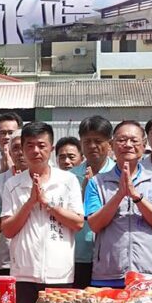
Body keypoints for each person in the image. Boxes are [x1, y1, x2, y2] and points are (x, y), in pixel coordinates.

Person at [0, 122, 85, 303]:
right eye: (29, 145)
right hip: (24, 273)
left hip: (60, 272)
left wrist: (49, 204)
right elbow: (7, 230)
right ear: (22, 149)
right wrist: (30, 202)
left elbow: (78, 223)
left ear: (51, 149)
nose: (36, 151)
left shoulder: (68, 181)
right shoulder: (12, 185)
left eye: (41, 145)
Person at [86, 120, 152, 287]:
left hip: (147, 273)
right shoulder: (97, 182)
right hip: (108, 273)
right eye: (122, 140)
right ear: (112, 144)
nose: (128, 145)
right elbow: (94, 224)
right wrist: (119, 195)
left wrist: (136, 197)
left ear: (144, 144)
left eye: (134, 140)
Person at [69, 115, 114, 289]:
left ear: (109, 143)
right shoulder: (70, 176)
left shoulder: (118, 175)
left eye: (98, 141)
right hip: (78, 253)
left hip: (108, 255)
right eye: (87, 141)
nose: (92, 146)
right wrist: (84, 190)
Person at [0, 136, 25, 277]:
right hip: (4, 258)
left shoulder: (46, 178)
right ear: (9, 152)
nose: (20, 152)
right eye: (15, 148)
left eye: (24, 146)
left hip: (35, 260)